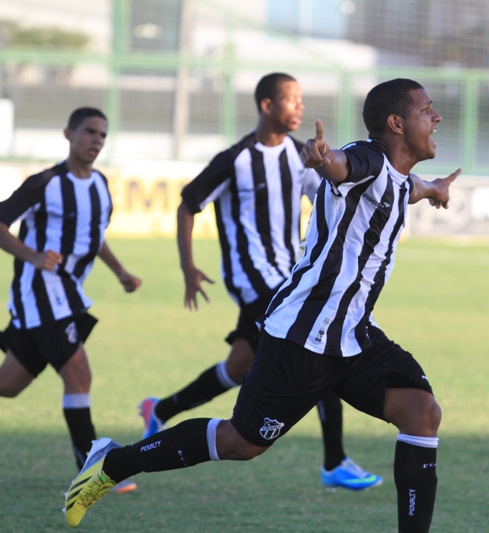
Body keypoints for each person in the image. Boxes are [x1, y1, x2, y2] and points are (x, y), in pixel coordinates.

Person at [64, 79, 459, 532]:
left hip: (353, 334)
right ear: (396, 123)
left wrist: (433, 189)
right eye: (427, 109)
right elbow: (345, 166)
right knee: (241, 443)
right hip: (302, 335)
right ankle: (112, 463)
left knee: (422, 413)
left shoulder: (394, 176)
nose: (437, 117)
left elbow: (403, 186)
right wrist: (324, 160)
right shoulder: (366, 160)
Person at [137, 72, 380, 490]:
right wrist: (188, 268)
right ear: (267, 106)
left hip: (289, 277)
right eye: (291, 100)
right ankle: (334, 461)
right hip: (254, 281)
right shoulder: (235, 159)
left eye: (302, 99)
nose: (299, 107)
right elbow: (187, 204)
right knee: (317, 345)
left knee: (241, 364)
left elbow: (324, 193)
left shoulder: (295, 153)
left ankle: (159, 408)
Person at [0, 107, 141, 494]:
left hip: (69, 295)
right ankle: (93, 471)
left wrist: (120, 272)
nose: (96, 140)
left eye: (103, 135)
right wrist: (31, 255)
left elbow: (93, 237)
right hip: (41, 293)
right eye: (90, 132)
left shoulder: (100, 185)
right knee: (79, 373)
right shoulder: (44, 183)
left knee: (9, 385)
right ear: (69, 134)